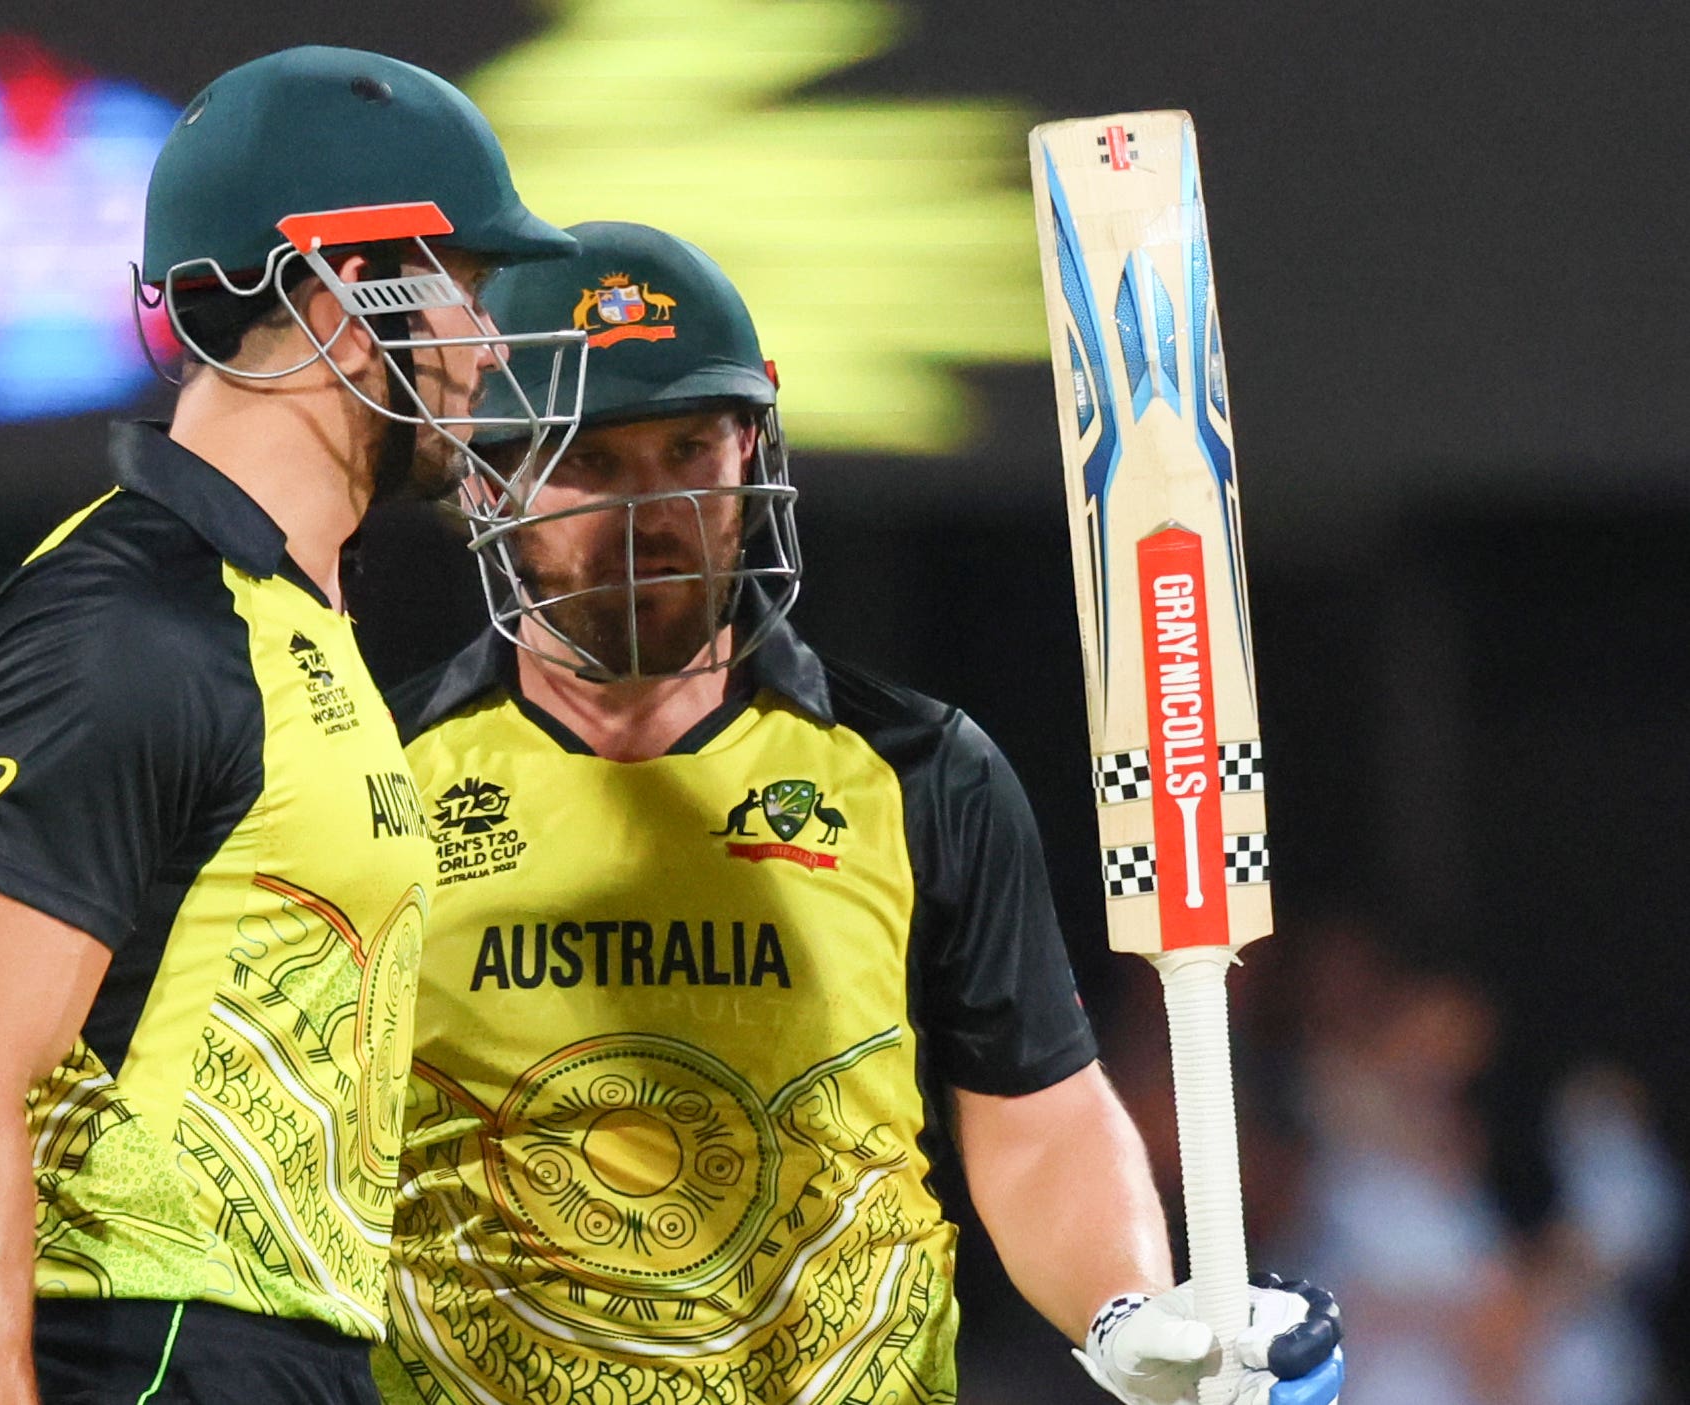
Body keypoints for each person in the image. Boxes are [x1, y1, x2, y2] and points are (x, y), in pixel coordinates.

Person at [372, 222, 1344, 1405]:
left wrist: (1128, 1317)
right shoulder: (370, 775)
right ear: (482, 476)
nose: (653, 507)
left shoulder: (917, 768)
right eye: (591, 462)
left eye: (689, 448)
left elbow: (1034, 1119)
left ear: (754, 452)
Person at [0, 46, 582, 1405]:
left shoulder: (290, 619)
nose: (490, 346)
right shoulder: (126, 626)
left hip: (286, 1354)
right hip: (152, 1357)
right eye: (470, 295)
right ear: (341, 301)